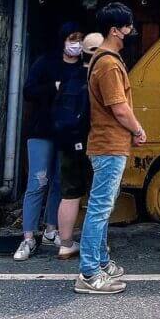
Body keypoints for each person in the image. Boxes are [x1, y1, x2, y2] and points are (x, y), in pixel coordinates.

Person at [75, 3, 146, 295]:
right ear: (115, 30)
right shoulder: (108, 64)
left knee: (102, 207)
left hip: (106, 144)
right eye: (127, 27)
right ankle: (89, 273)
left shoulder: (103, 59)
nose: (130, 32)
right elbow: (119, 108)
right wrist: (138, 129)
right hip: (108, 144)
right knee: (100, 208)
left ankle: (101, 262)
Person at [13, 22, 81, 261]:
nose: (76, 44)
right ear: (62, 40)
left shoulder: (82, 68)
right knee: (38, 182)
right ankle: (28, 237)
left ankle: (52, 229)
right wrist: (53, 88)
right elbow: (28, 91)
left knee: (59, 183)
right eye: (72, 38)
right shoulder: (45, 62)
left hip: (67, 133)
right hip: (41, 131)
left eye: (79, 39)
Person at [54, 32, 103, 260]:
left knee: (69, 194)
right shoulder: (98, 76)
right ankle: (96, 245)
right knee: (98, 195)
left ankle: (65, 244)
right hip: (93, 142)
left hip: (67, 141)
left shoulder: (68, 76)